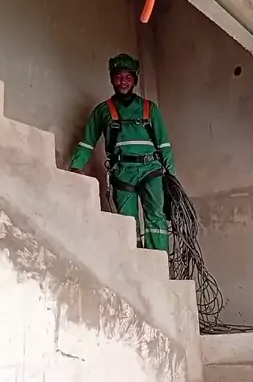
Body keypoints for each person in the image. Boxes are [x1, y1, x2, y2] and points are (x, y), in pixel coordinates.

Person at [69, 53, 175, 252]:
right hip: (122, 173)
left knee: (156, 217)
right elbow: (87, 143)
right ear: (111, 80)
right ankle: (134, 261)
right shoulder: (102, 111)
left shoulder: (149, 108)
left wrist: (172, 176)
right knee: (127, 222)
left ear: (134, 80)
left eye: (128, 77)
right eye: (118, 77)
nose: (123, 82)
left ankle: (159, 262)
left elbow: (164, 145)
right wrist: (75, 167)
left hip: (151, 170)